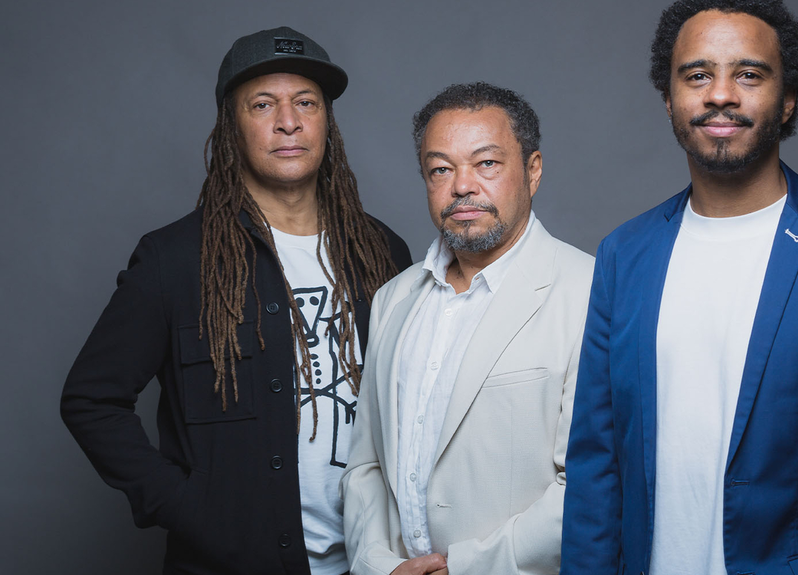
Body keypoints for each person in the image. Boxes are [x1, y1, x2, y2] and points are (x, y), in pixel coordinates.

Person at [560, 1, 798, 574]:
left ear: (788, 98)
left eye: (748, 74)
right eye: (697, 75)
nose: (720, 94)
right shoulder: (624, 256)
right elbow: (596, 467)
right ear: (670, 98)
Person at [60, 26, 411, 575]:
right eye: (263, 104)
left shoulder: (382, 251)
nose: (288, 121)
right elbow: (91, 400)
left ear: (327, 121)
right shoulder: (175, 260)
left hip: (371, 562)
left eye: (306, 102)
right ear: (232, 126)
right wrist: (187, 509)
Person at [341, 82, 593, 575]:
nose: (462, 186)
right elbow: (366, 465)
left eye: (487, 164)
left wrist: (464, 568)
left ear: (533, 170)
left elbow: (588, 484)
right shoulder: (393, 300)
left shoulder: (589, 292)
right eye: (441, 169)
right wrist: (378, 565)